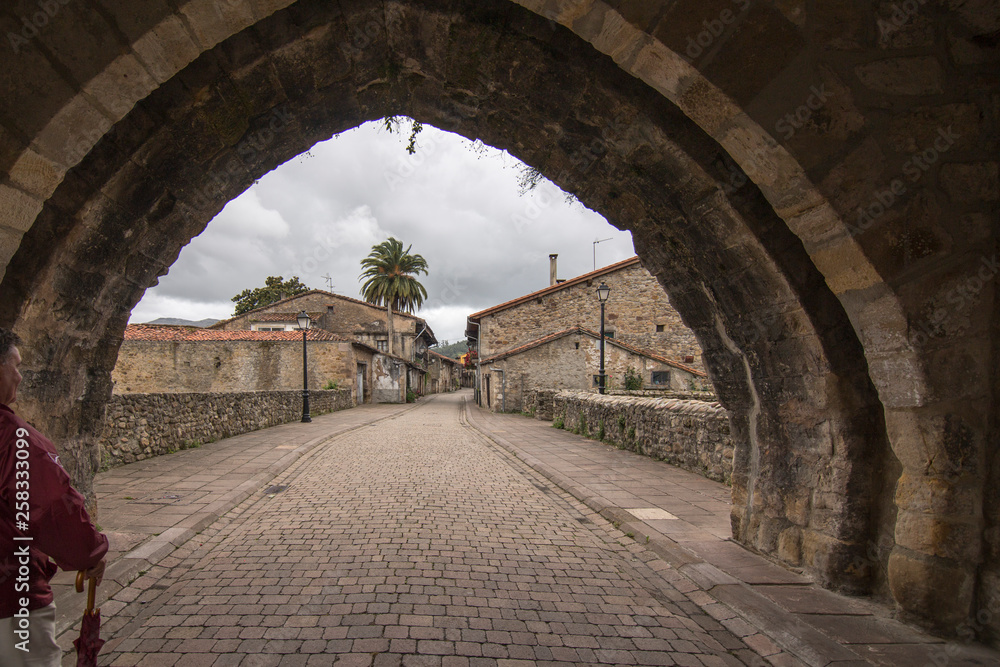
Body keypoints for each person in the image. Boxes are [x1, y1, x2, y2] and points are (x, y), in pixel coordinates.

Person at [0, 328, 108, 666]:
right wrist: (89, 555)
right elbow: (50, 506)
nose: (19, 375)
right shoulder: (14, 440)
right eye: (14, 366)